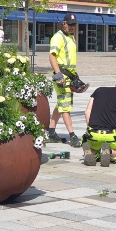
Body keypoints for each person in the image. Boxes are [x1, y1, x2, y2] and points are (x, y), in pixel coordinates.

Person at [81, 75, 116, 167]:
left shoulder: (99, 90)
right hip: (111, 135)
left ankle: (91, 152)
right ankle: (110, 152)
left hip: (94, 133)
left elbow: (87, 111)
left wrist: (90, 128)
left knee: (94, 145)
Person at [47, 13, 81, 147]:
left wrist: (75, 76)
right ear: (64, 24)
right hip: (61, 76)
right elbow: (52, 56)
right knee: (65, 106)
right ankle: (72, 135)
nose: (72, 27)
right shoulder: (58, 37)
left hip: (69, 75)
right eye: (70, 24)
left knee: (61, 103)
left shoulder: (71, 37)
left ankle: (51, 132)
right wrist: (58, 74)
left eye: (74, 25)